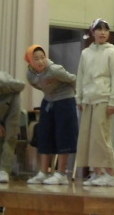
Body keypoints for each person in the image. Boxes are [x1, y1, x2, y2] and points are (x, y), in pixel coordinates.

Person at [75, 18, 114, 187]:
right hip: (88, 100)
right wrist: (79, 98)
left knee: (101, 137)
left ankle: (110, 174)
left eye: (106, 29)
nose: (103, 32)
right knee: (89, 138)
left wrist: (113, 101)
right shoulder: (85, 53)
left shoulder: (112, 52)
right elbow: (81, 76)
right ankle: (97, 172)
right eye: (99, 29)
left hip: (103, 99)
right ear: (92, 32)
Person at [24, 44, 78, 186]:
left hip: (65, 100)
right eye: (36, 59)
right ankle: (43, 172)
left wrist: (74, 95)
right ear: (30, 61)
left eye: (43, 57)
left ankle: (61, 174)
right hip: (48, 101)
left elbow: (73, 79)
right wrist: (50, 92)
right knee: (44, 135)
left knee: (63, 136)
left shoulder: (54, 69)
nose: (40, 61)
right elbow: (37, 85)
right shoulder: (30, 74)